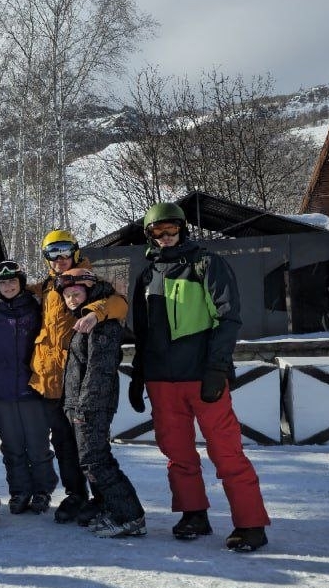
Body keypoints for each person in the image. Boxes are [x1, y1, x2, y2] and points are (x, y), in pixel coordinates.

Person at [129, 202, 271, 553]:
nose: (165, 237)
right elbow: (143, 332)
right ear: (149, 235)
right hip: (162, 380)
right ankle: (194, 514)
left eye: (171, 230)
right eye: (157, 232)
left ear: (183, 229)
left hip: (201, 375)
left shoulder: (206, 264)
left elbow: (228, 318)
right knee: (177, 452)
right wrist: (138, 375)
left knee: (226, 451)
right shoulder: (147, 275)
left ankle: (251, 524)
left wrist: (217, 367)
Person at [29, 229, 129, 527]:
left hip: (79, 380)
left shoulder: (89, 279)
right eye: (51, 253)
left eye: (63, 251)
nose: (58, 259)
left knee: (89, 445)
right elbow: (19, 290)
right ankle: (76, 494)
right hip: (50, 381)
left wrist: (97, 312)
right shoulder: (48, 286)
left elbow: (119, 303)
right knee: (62, 442)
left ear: (74, 250)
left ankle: (102, 498)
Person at [59, 268, 146, 538]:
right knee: (93, 460)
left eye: (76, 293)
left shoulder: (100, 324)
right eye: (67, 295)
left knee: (96, 461)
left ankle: (130, 516)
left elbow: (99, 370)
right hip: (81, 404)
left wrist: (84, 408)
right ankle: (115, 509)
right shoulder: (86, 320)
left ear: (89, 291)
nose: (71, 299)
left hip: (92, 405)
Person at [0, 260, 57, 515]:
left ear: (21, 283)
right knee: (12, 446)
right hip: (1, 389)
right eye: (2, 282)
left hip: (32, 387)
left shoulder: (37, 308)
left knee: (37, 444)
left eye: (12, 281)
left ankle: (42, 490)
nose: (7, 286)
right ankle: (19, 491)